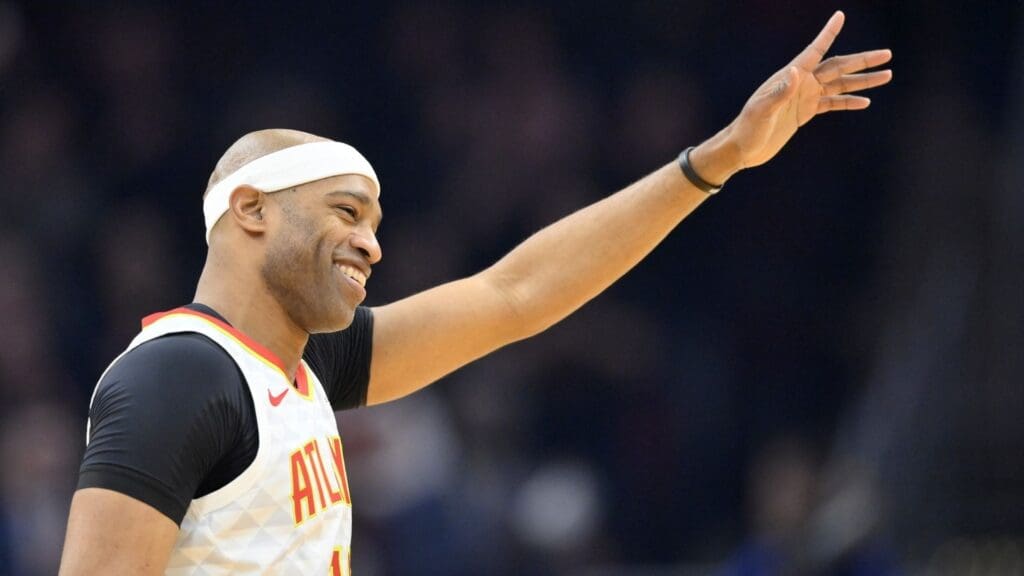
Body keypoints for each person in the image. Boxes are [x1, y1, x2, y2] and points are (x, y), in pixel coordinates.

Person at [59, 11, 892, 576]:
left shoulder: (307, 368)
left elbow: (517, 292)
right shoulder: (177, 377)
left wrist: (720, 159)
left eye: (375, 222)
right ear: (251, 211)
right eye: (345, 212)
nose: (371, 243)